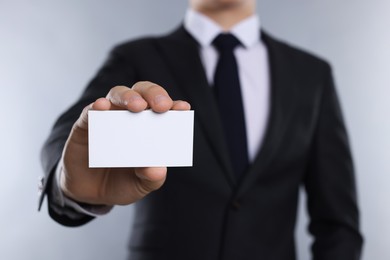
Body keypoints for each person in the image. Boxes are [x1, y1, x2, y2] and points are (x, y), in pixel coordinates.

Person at [39, 0, 363, 259]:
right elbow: (68, 134)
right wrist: (67, 185)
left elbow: (338, 223)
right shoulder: (136, 58)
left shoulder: (311, 75)